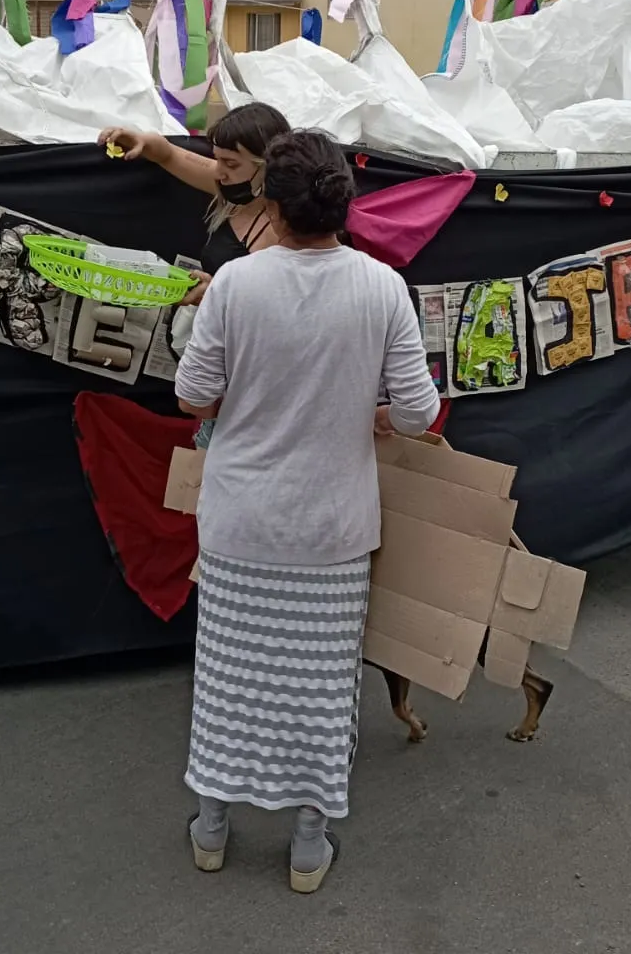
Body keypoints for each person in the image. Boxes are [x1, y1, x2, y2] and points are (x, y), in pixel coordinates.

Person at [173, 129, 440, 894]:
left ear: (272, 204)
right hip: (332, 534)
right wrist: (371, 408)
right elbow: (418, 416)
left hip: (240, 526)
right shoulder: (382, 287)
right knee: (320, 696)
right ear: (340, 205)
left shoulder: (235, 285)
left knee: (228, 685)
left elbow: (193, 396)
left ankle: (212, 830)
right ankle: (307, 848)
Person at [98, 101, 292, 448]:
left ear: (269, 167)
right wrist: (139, 140)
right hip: (216, 383)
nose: (219, 171)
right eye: (217, 159)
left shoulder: (286, 230)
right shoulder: (237, 193)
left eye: (231, 164)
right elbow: (171, 156)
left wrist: (219, 293)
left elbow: (282, 312)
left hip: (249, 399)